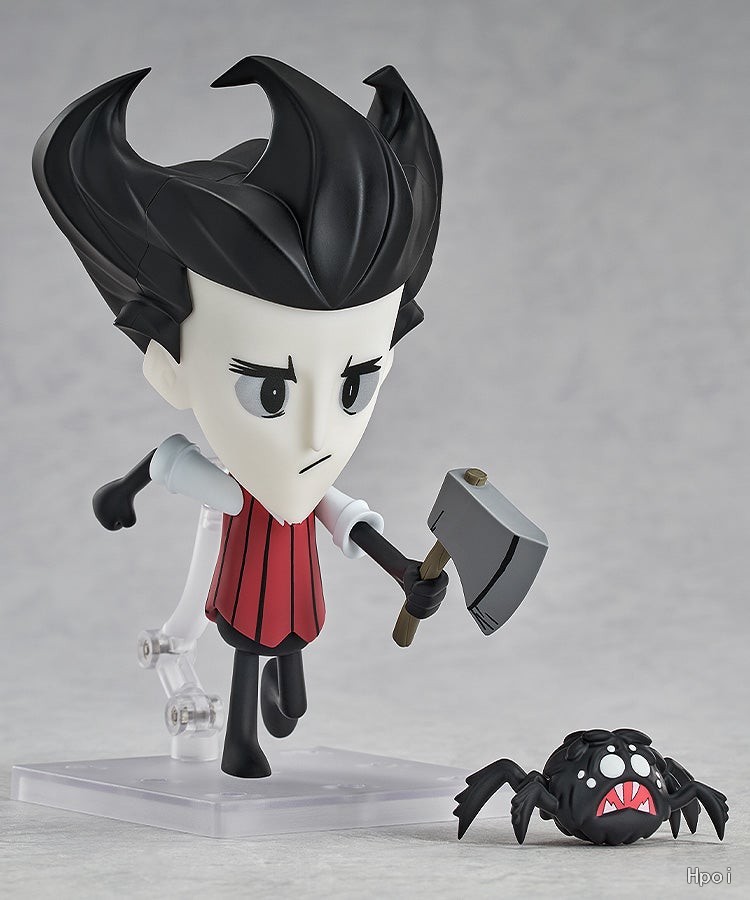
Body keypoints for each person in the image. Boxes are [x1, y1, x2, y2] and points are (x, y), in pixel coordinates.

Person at [33, 56, 447, 777]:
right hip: (249, 579)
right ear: (168, 364)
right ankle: (239, 740)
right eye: (270, 395)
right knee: (250, 648)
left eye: (354, 386)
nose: (316, 439)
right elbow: (173, 460)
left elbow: (346, 519)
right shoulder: (234, 490)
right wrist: (124, 491)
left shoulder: (309, 487)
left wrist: (408, 570)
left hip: (296, 586)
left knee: (291, 658)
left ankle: (280, 703)